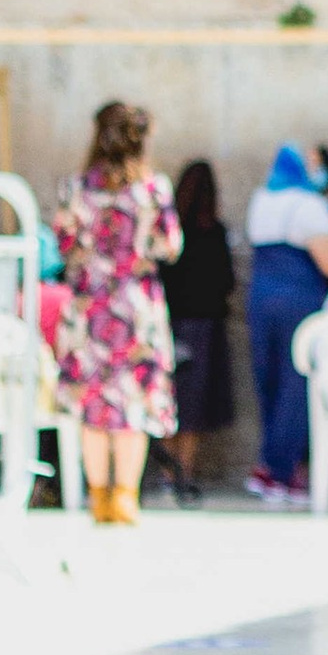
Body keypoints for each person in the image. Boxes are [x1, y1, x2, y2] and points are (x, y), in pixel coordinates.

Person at [50, 102, 181, 527]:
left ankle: (98, 496)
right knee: (132, 405)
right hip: (135, 305)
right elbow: (170, 245)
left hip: (90, 304)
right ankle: (126, 496)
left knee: (93, 405)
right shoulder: (153, 190)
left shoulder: (76, 188)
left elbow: (64, 243)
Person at [245, 142, 328, 498]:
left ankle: (270, 466)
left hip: (261, 297)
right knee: (298, 385)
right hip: (299, 300)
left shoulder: (261, 200)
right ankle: (280, 471)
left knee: (270, 382)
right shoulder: (311, 206)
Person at [161, 158, 235, 501]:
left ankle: (166, 471)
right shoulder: (213, 232)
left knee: (168, 399)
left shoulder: (171, 232)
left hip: (167, 323)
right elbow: (226, 281)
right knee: (193, 404)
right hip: (203, 327)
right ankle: (183, 471)